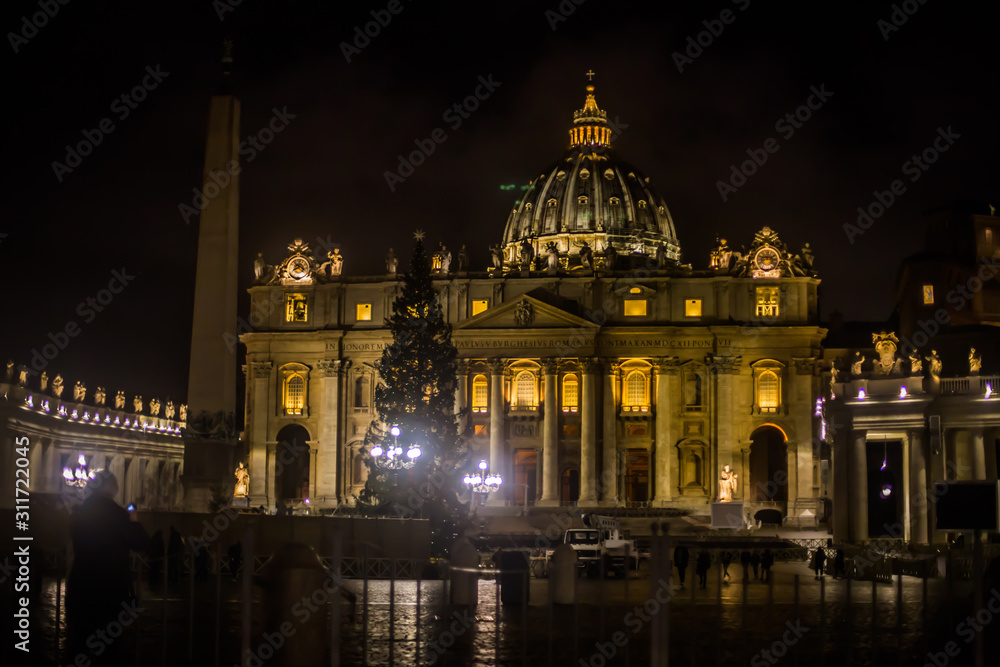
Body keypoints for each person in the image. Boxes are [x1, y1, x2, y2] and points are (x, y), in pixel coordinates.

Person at [66, 470, 148, 666]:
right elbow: (141, 543)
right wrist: (133, 519)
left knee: (77, 644)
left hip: (81, 585)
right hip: (111, 588)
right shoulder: (119, 515)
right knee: (108, 649)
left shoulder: (78, 513)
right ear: (111, 488)